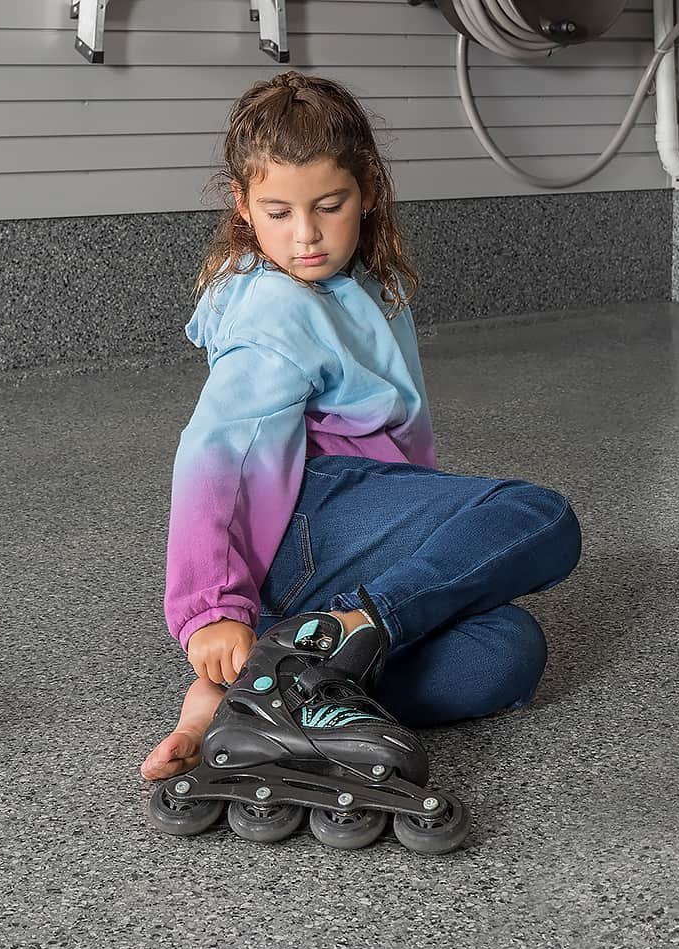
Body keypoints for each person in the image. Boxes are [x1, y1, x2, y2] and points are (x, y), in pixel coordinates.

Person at [141, 72, 582, 782]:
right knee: (541, 517)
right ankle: (351, 628)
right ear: (243, 206)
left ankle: (258, 690)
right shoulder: (275, 313)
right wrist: (211, 608)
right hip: (312, 518)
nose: (305, 235)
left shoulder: (366, 288)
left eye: (329, 205)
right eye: (277, 212)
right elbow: (217, 454)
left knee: (507, 649)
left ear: (368, 189)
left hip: (349, 533)